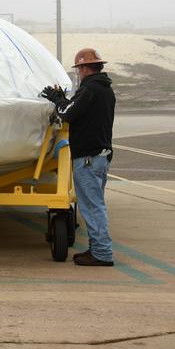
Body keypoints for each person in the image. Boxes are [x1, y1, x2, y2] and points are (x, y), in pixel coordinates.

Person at [42, 48, 117, 266]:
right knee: (95, 205)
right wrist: (65, 100)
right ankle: (97, 249)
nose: (79, 73)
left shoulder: (90, 90)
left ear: (84, 68)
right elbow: (79, 111)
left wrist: (57, 99)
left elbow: (67, 114)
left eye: (79, 69)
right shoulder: (105, 90)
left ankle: (102, 253)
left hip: (88, 158)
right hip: (100, 156)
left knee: (92, 207)